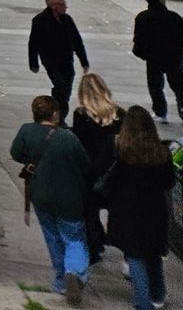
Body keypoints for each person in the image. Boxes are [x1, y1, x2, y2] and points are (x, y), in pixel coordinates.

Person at [11, 95, 93, 304]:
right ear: (55, 114)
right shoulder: (68, 137)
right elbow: (85, 165)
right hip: (69, 199)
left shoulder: (26, 131)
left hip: (41, 196)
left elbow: (16, 153)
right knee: (74, 239)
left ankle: (60, 281)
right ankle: (74, 271)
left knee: (53, 238)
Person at [100, 103, 173, 310]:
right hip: (155, 212)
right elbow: (169, 183)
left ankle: (143, 303)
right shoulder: (162, 153)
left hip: (127, 212)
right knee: (153, 254)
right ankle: (158, 295)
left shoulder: (123, 153)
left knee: (135, 258)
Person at [70, 71, 122, 263]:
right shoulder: (119, 114)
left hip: (90, 171)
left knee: (89, 212)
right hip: (113, 171)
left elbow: (79, 143)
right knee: (112, 208)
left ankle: (94, 247)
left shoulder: (81, 115)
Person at [30, 0, 91, 112]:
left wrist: (84, 61)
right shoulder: (40, 20)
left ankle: (56, 110)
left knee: (66, 89)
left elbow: (77, 40)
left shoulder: (67, 20)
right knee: (60, 86)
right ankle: (59, 114)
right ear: (53, 6)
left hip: (67, 59)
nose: (66, 7)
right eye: (62, 4)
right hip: (50, 60)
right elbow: (33, 42)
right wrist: (34, 63)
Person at [131, 0, 183, 122]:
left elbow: (138, 41)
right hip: (174, 57)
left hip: (153, 57)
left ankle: (160, 112)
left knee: (155, 85)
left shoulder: (142, 18)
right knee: (179, 86)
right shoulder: (174, 17)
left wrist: (144, 54)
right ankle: (182, 109)